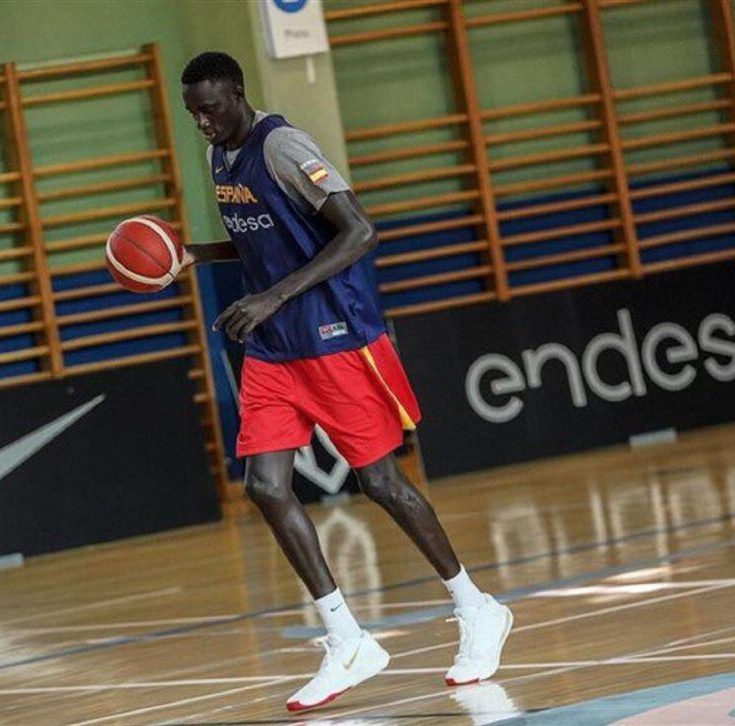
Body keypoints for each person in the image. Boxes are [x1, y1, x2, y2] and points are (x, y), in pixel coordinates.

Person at [179, 51, 512, 714]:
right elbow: (262, 242)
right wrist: (188, 255)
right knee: (266, 487)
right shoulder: (220, 156)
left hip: (335, 337)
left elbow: (360, 231)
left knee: (381, 482)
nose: (203, 122)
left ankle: (476, 607)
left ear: (238, 95)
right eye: (193, 112)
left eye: (211, 108)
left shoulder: (283, 147)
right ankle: (347, 639)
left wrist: (273, 297)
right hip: (275, 351)